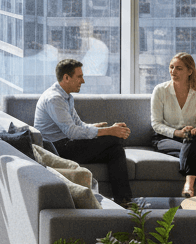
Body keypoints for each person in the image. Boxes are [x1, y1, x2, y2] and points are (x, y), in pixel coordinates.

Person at [34, 58, 133, 205]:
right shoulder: (54, 99)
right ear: (66, 78)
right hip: (57, 149)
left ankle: (124, 201)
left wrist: (98, 128)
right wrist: (109, 131)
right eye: (79, 76)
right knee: (114, 139)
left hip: (66, 144)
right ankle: (123, 199)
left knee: (115, 150)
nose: (83, 81)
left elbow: (78, 124)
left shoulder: (66, 97)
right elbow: (72, 132)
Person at [150, 52, 196, 198]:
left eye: (179, 68)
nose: (173, 71)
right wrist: (178, 133)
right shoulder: (160, 90)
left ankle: (188, 185)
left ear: (190, 71)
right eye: (171, 67)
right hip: (165, 138)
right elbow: (156, 124)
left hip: (192, 138)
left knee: (195, 139)